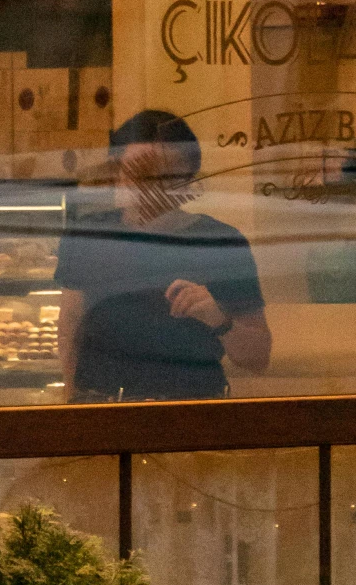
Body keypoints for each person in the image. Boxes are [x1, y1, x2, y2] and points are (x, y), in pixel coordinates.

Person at [55, 109, 271, 400]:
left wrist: (218, 318)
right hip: (101, 410)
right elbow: (70, 326)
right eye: (135, 172)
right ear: (119, 175)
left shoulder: (220, 241)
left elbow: (258, 358)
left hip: (188, 415)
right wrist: (70, 404)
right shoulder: (89, 235)